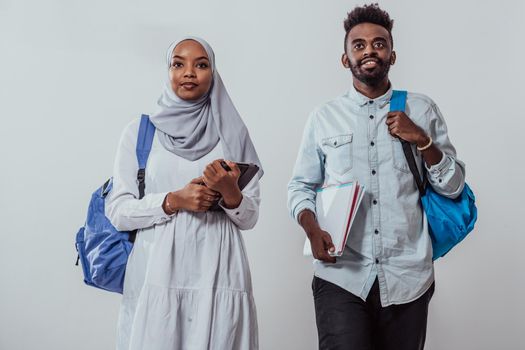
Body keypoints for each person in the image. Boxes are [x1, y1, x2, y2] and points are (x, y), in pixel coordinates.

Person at [287, 4, 465, 349]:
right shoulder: (324, 117)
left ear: (392, 55)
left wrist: (423, 140)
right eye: (359, 45)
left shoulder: (421, 109)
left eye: (379, 43)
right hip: (341, 275)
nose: (369, 50)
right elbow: (301, 186)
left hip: (407, 276)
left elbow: (454, 186)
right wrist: (311, 229)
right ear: (345, 59)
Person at [106, 36, 263, 350]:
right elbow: (118, 211)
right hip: (156, 271)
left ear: (213, 73)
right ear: (168, 71)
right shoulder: (140, 132)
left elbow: (250, 216)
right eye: (178, 64)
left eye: (201, 64)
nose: (189, 72)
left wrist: (230, 192)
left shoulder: (232, 132)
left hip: (218, 270)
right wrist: (171, 201)